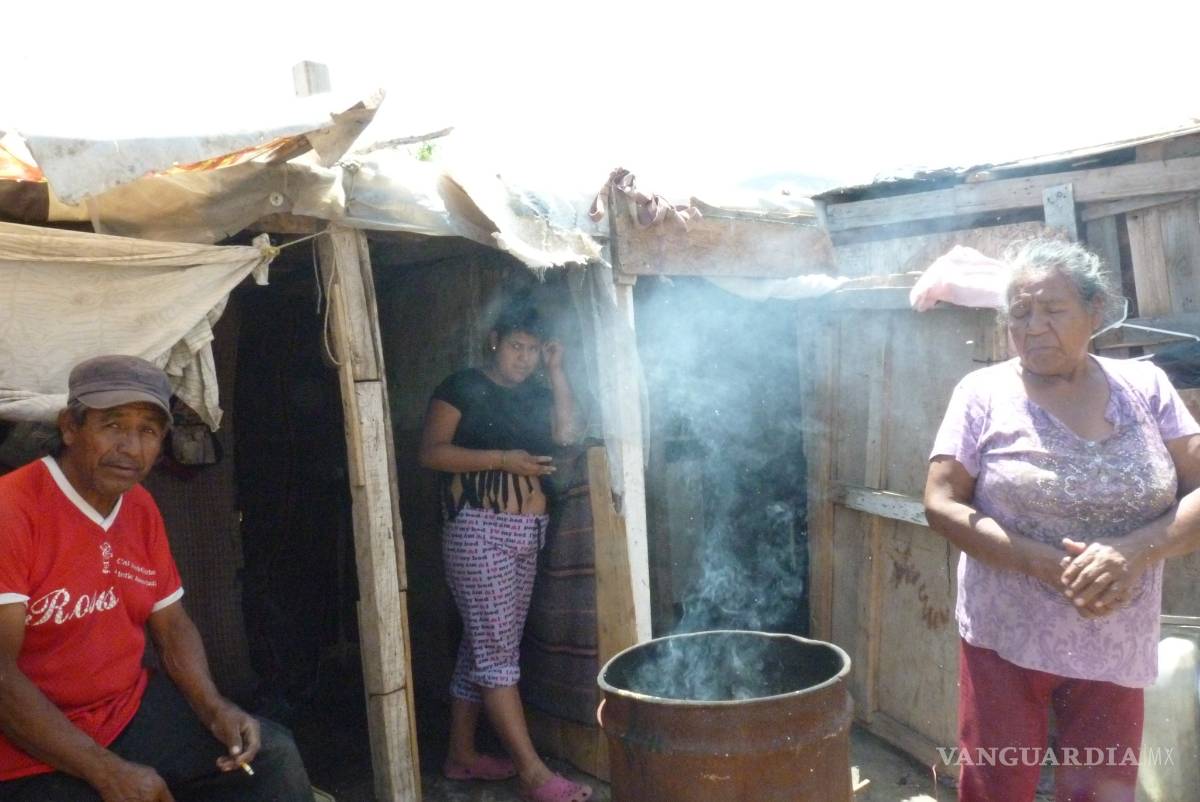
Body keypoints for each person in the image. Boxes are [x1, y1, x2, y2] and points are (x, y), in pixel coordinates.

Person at [924, 238, 1200, 802]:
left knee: (1102, 789)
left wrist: (1134, 552)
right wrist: (1042, 563)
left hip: (1115, 636)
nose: (1034, 327)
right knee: (997, 784)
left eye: (1053, 310)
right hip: (1007, 635)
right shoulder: (982, 392)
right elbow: (942, 502)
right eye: (1020, 313)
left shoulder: (1145, 388)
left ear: (1094, 314)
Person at [0, 355, 312, 802]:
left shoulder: (139, 506)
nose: (131, 446)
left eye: (148, 430)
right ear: (70, 427)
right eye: (113, 425)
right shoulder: (12, 509)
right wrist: (107, 772)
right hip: (27, 740)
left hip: (126, 712)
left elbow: (173, 625)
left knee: (269, 756)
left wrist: (213, 708)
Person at [419, 299, 592, 802]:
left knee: (485, 647)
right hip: (477, 530)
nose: (525, 359)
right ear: (495, 339)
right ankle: (533, 774)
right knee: (495, 654)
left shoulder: (540, 391)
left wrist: (558, 373)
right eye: (518, 347)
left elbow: (568, 433)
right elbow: (430, 452)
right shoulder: (462, 388)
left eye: (536, 351)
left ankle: (461, 755)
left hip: (526, 533)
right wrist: (503, 460)